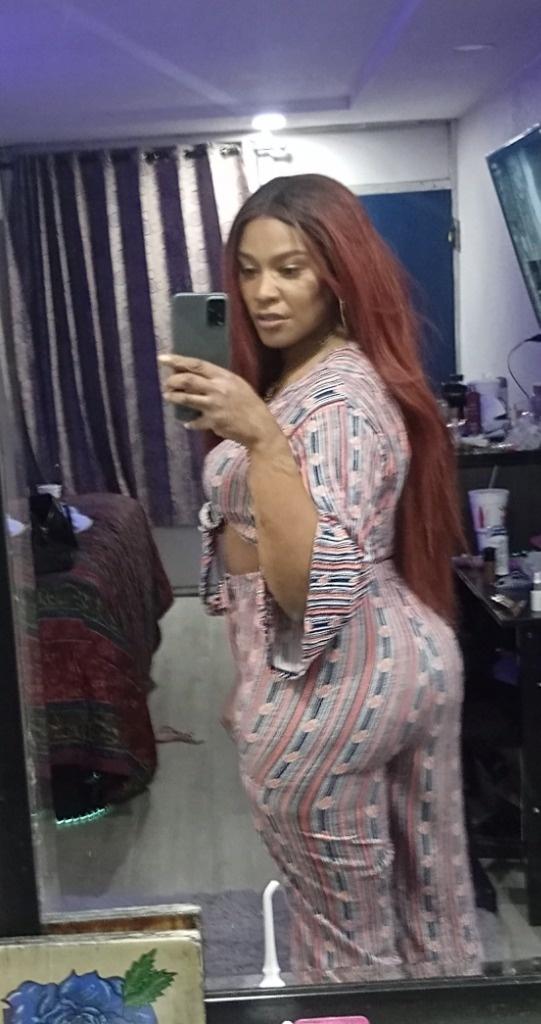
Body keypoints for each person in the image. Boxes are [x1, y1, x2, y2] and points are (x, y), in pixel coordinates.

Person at [160, 174, 482, 982]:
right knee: (430, 909)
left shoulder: (333, 403)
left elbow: (311, 593)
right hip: (398, 660)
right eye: (247, 270)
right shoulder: (332, 375)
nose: (262, 293)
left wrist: (262, 443)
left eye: (290, 268)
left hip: (333, 687)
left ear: (339, 274)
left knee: (343, 944)